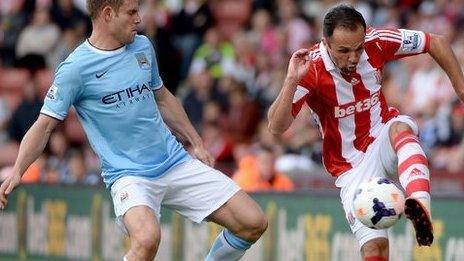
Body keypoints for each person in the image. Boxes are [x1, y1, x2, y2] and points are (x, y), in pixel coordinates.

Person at [0, 1, 267, 260]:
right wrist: (18, 170)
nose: (138, 18)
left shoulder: (142, 46)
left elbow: (162, 97)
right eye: (131, 12)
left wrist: (195, 142)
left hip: (174, 161)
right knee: (147, 239)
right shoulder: (75, 69)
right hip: (129, 175)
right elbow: (44, 126)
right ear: (107, 14)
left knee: (253, 222)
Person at [268, 4, 464, 261]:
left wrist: (461, 90)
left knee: (401, 128)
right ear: (325, 43)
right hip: (350, 167)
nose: (353, 57)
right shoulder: (310, 70)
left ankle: (420, 207)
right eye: (344, 51)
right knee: (374, 250)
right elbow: (276, 126)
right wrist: (291, 80)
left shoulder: (377, 41)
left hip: (382, 134)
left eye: (358, 48)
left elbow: (435, 42)